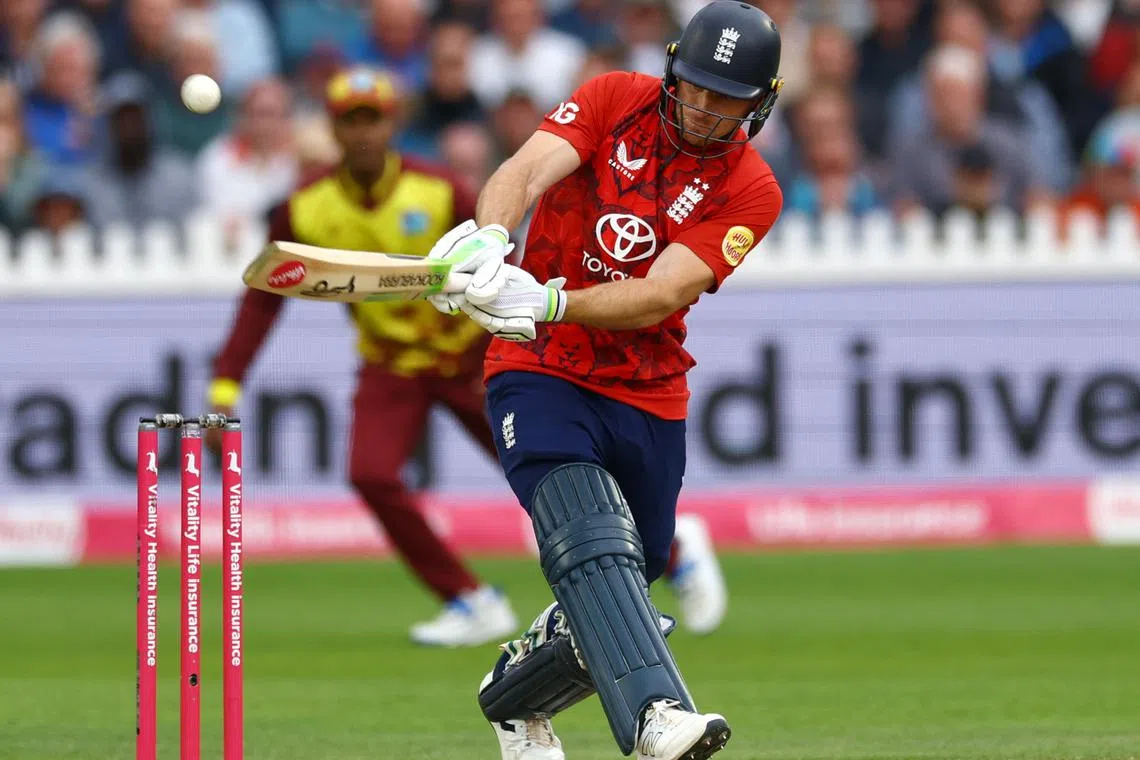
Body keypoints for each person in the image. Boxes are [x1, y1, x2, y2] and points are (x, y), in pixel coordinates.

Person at [423, 2, 782, 758]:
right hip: (537, 365)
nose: (706, 110)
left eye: (728, 100)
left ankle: (513, 700)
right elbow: (522, 171)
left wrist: (548, 298)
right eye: (695, 88)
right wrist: (492, 239)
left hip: (646, 389)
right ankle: (658, 718)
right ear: (672, 69)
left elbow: (660, 293)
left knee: (620, 591)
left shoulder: (753, 191)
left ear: (761, 105)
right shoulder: (615, 96)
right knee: (586, 534)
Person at [205, 67, 519, 648]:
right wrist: (225, 385)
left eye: (373, 119)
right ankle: (471, 600)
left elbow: (503, 266)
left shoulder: (439, 188)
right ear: (333, 129)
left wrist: (504, 347)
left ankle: (671, 555)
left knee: (537, 468)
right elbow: (263, 300)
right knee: (370, 474)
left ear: (392, 123)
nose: (364, 134)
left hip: (468, 359)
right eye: (351, 122)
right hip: (391, 364)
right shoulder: (306, 209)